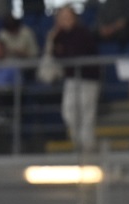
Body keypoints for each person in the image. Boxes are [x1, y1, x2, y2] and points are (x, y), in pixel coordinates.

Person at [50, 5, 103, 154]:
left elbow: (77, 54)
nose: (65, 20)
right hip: (71, 79)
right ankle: (79, 142)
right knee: (68, 111)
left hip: (88, 79)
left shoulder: (83, 33)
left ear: (74, 17)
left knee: (87, 113)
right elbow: (56, 55)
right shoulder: (59, 35)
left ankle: (88, 146)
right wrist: (55, 38)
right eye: (62, 17)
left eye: (68, 17)